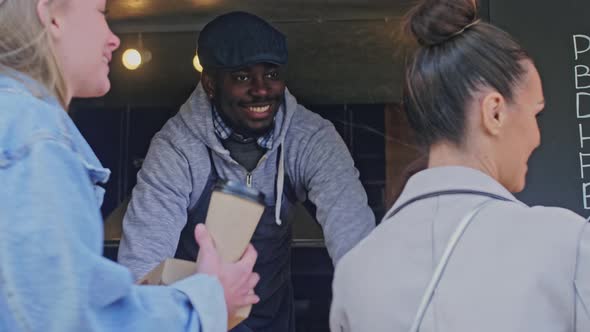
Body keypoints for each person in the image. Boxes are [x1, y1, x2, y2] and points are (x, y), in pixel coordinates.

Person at [330, 0, 590, 331]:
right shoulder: (568, 246)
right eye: (535, 113)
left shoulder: (356, 271)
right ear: (494, 112)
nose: (538, 137)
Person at [0, 1, 260, 331]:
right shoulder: (34, 138)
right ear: (51, 16)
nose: (114, 39)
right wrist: (207, 302)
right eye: (100, 12)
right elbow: (63, 320)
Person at [117, 11, 376, 331]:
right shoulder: (175, 149)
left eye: (272, 74)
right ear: (210, 83)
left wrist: (371, 312)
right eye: (242, 77)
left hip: (274, 319)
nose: (261, 89)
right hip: (200, 321)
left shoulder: (310, 139)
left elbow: (356, 246)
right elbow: (142, 271)